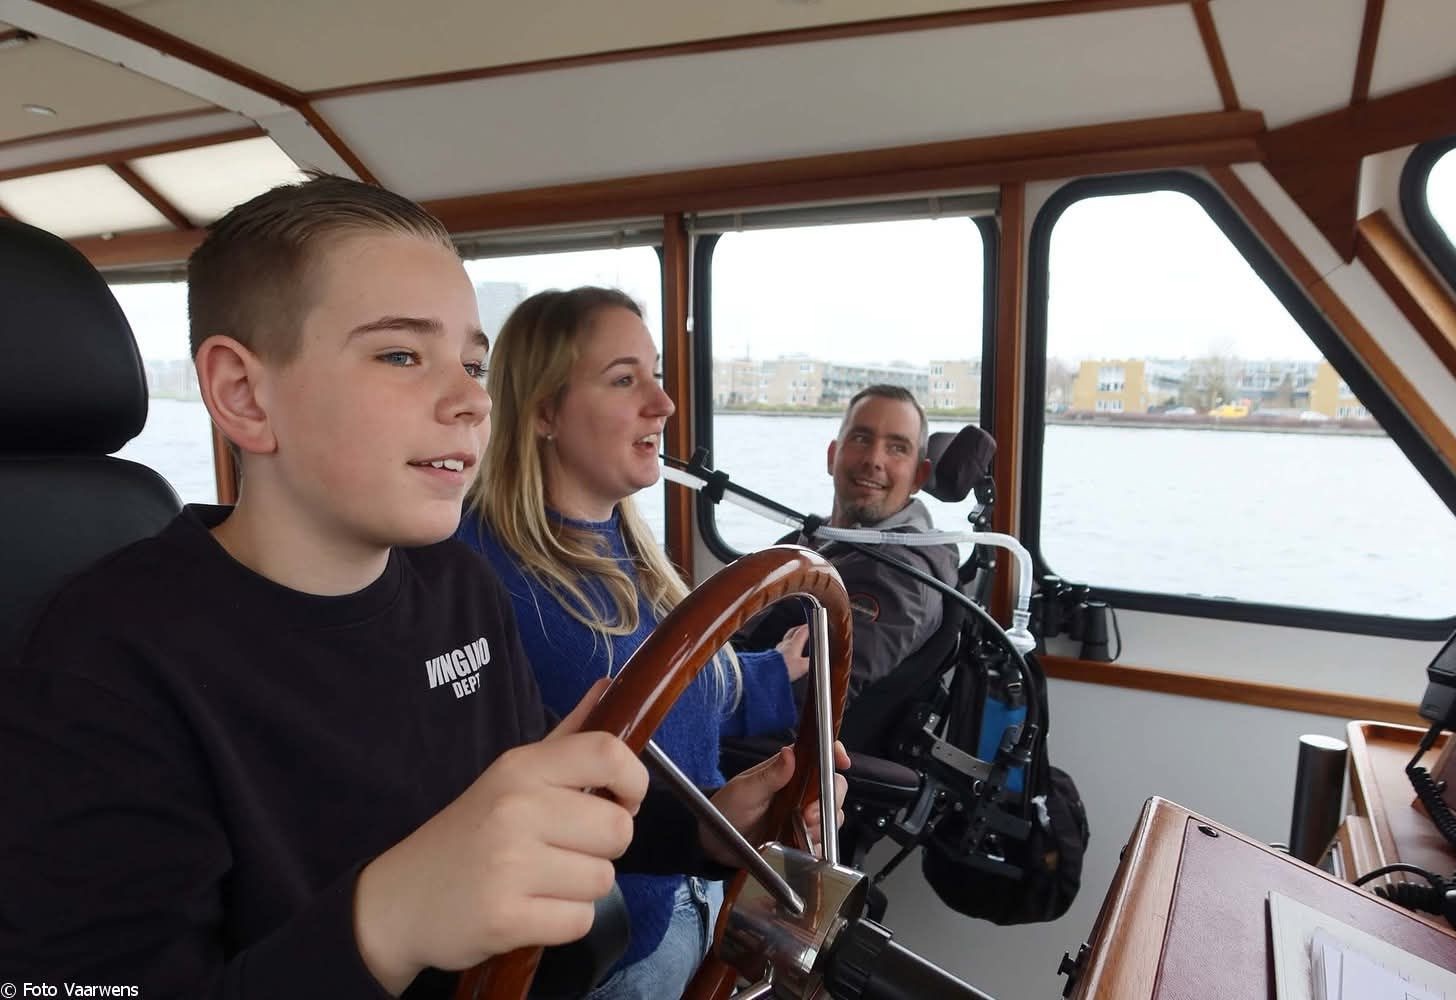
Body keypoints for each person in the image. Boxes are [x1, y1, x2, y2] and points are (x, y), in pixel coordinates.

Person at [0, 177, 844, 998]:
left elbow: (536, 797)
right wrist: (386, 919)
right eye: (401, 354)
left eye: (472, 364)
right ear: (243, 394)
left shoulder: (458, 587)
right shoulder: (106, 657)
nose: (471, 403)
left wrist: (704, 827)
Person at [456, 287, 811, 1000]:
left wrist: (773, 675)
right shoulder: (481, 575)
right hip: (616, 949)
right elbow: (619, 708)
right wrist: (713, 822)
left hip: (699, 899)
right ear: (546, 412)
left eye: (655, 372)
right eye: (625, 379)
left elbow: (668, 683)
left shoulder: (627, 549)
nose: (664, 403)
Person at [739, 385, 960, 702]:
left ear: (918, 478)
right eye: (861, 439)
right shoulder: (811, 540)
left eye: (897, 448)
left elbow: (802, 705)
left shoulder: (897, 577)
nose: (874, 459)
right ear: (832, 456)